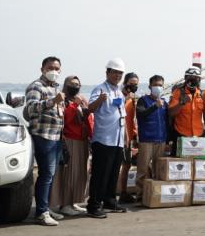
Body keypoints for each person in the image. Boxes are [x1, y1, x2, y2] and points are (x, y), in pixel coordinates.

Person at [24, 56, 65, 226]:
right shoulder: (36, 86)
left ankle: (45, 207)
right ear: (42, 69)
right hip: (43, 136)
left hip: (55, 136)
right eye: (50, 68)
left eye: (56, 68)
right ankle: (41, 212)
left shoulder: (56, 87)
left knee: (50, 174)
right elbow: (31, 109)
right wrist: (52, 102)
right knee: (46, 174)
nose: (53, 72)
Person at [86, 58, 129, 218]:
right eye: (115, 72)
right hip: (103, 139)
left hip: (117, 140)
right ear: (108, 72)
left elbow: (122, 115)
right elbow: (90, 108)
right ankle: (94, 205)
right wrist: (100, 100)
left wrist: (125, 139)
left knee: (113, 173)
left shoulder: (119, 91)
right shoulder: (100, 89)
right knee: (100, 174)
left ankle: (110, 200)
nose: (118, 75)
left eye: (120, 73)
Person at [50, 76, 93, 217]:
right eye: (72, 84)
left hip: (82, 140)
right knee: (69, 174)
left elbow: (88, 117)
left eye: (78, 84)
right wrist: (75, 105)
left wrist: (84, 107)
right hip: (69, 140)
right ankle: (65, 204)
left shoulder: (80, 100)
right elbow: (65, 119)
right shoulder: (62, 101)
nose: (75, 86)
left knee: (80, 173)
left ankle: (74, 201)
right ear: (66, 85)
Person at [135, 75, 169, 203]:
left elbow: (167, 121)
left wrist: (168, 140)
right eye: (155, 85)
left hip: (161, 140)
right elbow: (140, 114)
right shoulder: (143, 100)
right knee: (143, 170)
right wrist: (155, 106)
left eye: (160, 85)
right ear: (150, 86)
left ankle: (155, 196)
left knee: (158, 170)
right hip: (146, 140)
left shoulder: (165, 103)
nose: (158, 87)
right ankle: (140, 196)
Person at [168, 67, 205, 142]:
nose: (193, 80)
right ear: (185, 78)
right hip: (180, 134)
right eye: (190, 77)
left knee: (198, 154)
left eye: (196, 78)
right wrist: (182, 103)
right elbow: (171, 113)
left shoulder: (203, 94)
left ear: (199, 79)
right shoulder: (178, 92)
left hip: (199, 134)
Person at [117, 72, 139, 204]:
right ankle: (120, 192)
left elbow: (134, 119)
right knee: (121, 165)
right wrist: (125, 97)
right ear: (125, 83)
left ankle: (125, 192)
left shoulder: (133, 99)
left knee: (128, 165)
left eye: (136, 84)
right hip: (120, 136)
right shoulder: (120, 96)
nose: (134, 86)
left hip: (131, 136)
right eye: (131, 83)